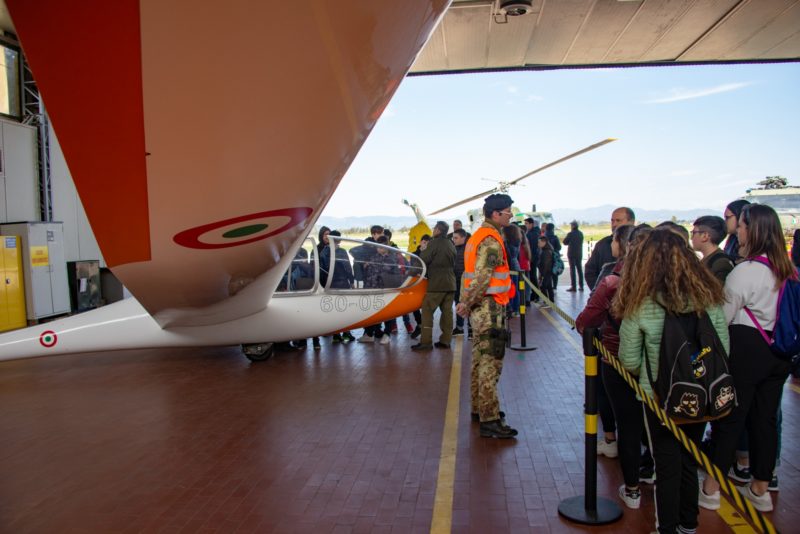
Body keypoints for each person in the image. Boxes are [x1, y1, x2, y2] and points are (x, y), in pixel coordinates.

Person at [616, 228, 729, 534]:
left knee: (666, 465)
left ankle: (666, 528)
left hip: (659, 398)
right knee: (689, 459)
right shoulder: (709, 298)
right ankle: (689, 526)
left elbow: (627, 360)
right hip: (702, 393)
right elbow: (723, 348)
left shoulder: (641, 304)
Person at [701, 204, 796, 513]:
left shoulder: (746, 271)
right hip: (779, 353)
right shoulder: (788, 269)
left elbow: (723, 318)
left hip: (747, 351)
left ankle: (712, 488)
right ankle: (761, 488)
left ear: (752, 229)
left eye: (741, 225)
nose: (738, 231)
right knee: (766, 419)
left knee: (731, 419)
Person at [577, 225, 645, 508]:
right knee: (655, 427)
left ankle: (632, 490)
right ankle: (651, 470)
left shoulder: (614, 281)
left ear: (625, 245)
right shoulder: (672, 280)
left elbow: (586, 320)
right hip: (661, 366)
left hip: (617, 358)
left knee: (627, 424)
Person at [456, 193, 518, 439]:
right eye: (508, 212)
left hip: (479, 308)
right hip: (489, 308)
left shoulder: (477, 237)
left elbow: (467, 275)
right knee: (490, 363)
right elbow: (482, 277)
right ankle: (490, 419)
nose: (511, 215)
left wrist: (467, 303)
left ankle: (479, 409)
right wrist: (466, 303)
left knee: (480, 360)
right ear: (496, 214)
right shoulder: (491, 240)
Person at [413, 221, 457, 351]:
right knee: (447, 314)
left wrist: (422, 251)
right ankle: (445, 340)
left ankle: (426, 342)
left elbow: (424, 260)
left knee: (427, 312)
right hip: (450, 283)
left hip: (436, 284)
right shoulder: (450, 243)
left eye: (434, 228)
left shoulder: (433, 243)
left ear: (438, 230)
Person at [359, 235, 399, 345]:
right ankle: (370, 334)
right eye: (378, 247)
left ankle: (387, 334)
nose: (379, 249)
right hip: (372, 290)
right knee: (372, 313)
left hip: (386, 291)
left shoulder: (392, 258)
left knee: (388, 314)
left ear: (387, 246)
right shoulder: (373, 257)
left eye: (381, 247)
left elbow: (396, 276)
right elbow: (368, 273)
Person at [585, 207, 635, 290]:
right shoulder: (602, 244)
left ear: (631, 222)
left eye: (618, 220)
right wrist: (600, 291)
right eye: (612, 220)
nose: (614, 224)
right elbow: (590, 271)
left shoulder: (642, 244)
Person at [690, 215, 734, 283]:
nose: (691, 238)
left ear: (705, 236)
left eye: (693, 233)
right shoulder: (709, 259)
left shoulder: (720, 263)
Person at [452, 228, 468, 335]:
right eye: (453, 238)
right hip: (457, 281)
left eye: (456, 238)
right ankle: (459, 327)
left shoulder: (468, 249)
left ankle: (471, 330)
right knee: (458, 303)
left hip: (466, 281)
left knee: (469, 304)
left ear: (463, 238)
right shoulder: (454, 248)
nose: (454, 240)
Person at [503, 224, 522, 316]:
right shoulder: (517, 241)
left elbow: (507, 256)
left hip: (511, 267)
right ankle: (516, 309)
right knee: (515, 289)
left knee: (512, 289)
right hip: (516, 266)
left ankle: (513, 308)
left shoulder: (508, 243)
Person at [563, 220, 584, 292]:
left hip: (571, 254)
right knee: (579, 269)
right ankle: (581, 286)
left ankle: (573, 286)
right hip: (579, 253)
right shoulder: (581, 233)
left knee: (572, 270)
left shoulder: (570, 234)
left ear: (573, 226)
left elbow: (565, 242)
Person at [537, 236, 555, 307]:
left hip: (546, 272)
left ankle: (547, 302)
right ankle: (551, 301)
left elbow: (546, 264)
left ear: (544, 242)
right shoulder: (547, 249)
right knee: (549, 287)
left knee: (543, 286)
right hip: (548, 272)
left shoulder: (546, 251)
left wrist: (542, 275)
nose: (538, 244)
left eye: (539, 242)